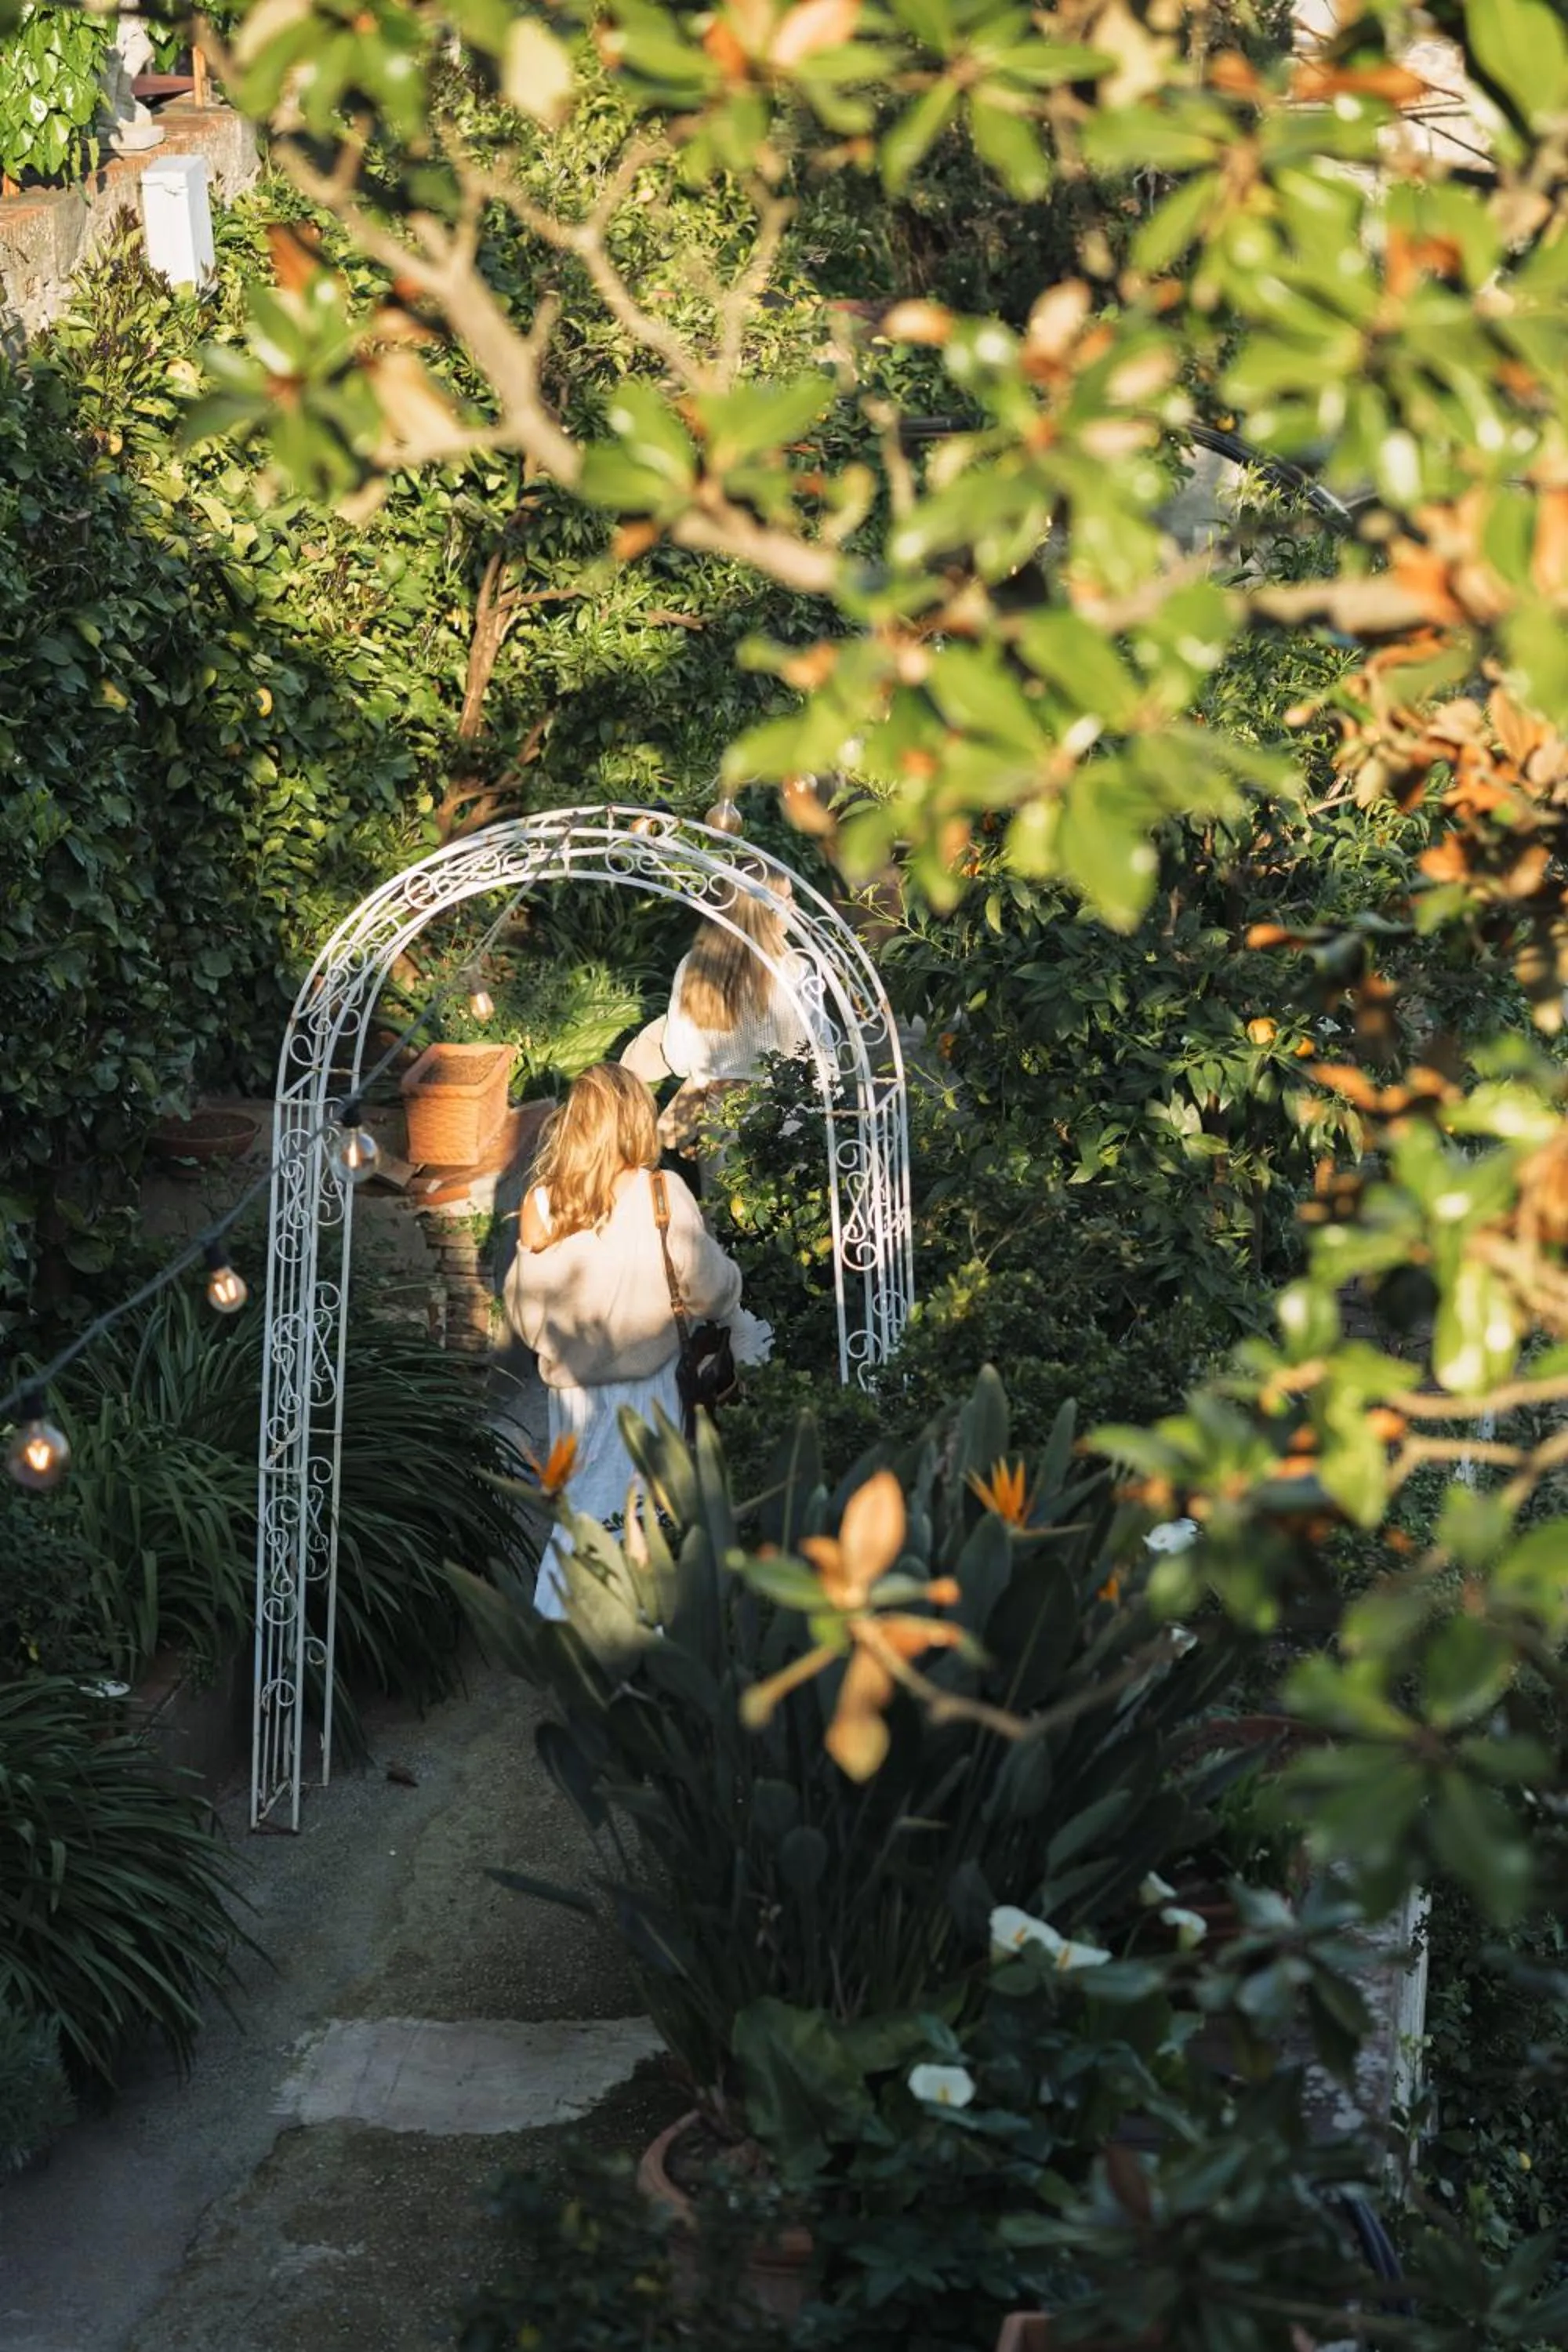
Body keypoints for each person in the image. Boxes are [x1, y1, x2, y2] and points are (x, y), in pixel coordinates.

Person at [503, 1062, 744, 1620]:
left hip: (574, 1400)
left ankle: (569, 1627)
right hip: (653, 1390)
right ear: (636, 1119)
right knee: (652, 1519)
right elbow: (710, 1289)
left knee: (581, 1515)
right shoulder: (662, 1192)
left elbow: (528, 1320)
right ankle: (651, 1639)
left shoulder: (542, 1204)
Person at [652, 867, 816, 1156]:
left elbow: (678, 1057)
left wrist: (716, 1071)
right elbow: (809, 1055)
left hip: (719, 1117)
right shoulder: (794, 971)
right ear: (761, 907)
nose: (794, 907)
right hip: (784, 1117)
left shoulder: (694, 965)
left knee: (723, 1199)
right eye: (787, 899)